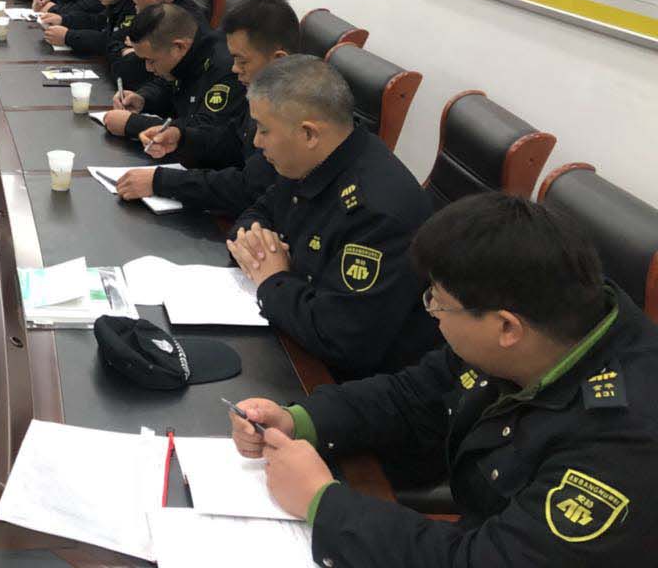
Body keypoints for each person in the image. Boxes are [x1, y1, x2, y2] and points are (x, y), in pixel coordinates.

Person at [231, 193, 658, 566]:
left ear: (506, 328)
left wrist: (323, 503)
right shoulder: (545, 314)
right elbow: (411, 396)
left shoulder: (623, 443)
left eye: (438, 302)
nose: (431, 312)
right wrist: (299, 419)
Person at [226, 54, 438, 378]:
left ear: (309, 134)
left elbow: (342, 340)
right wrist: (252, 240)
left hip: (345, 381)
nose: (256, 141)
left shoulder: (378, 212)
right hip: (294, 332)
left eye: (264, 130)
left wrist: (273, 280)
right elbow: (260, 210)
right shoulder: (313, 161)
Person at [117, 0, 296, 211]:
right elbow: (231, 141)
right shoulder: (265, 93)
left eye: (242, 61)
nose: (234, 68)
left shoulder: (293, 113)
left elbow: (248, 188)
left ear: (278, 60)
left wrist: (161, 181)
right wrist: (182, 137)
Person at [102, 3, 245, 160]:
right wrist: (143, 99)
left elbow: (206, 131)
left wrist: (133, 124)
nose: (148, 68)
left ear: (179, 47)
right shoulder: (188, 54)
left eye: (151, 60)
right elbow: (169, 84)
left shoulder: (227, 68)